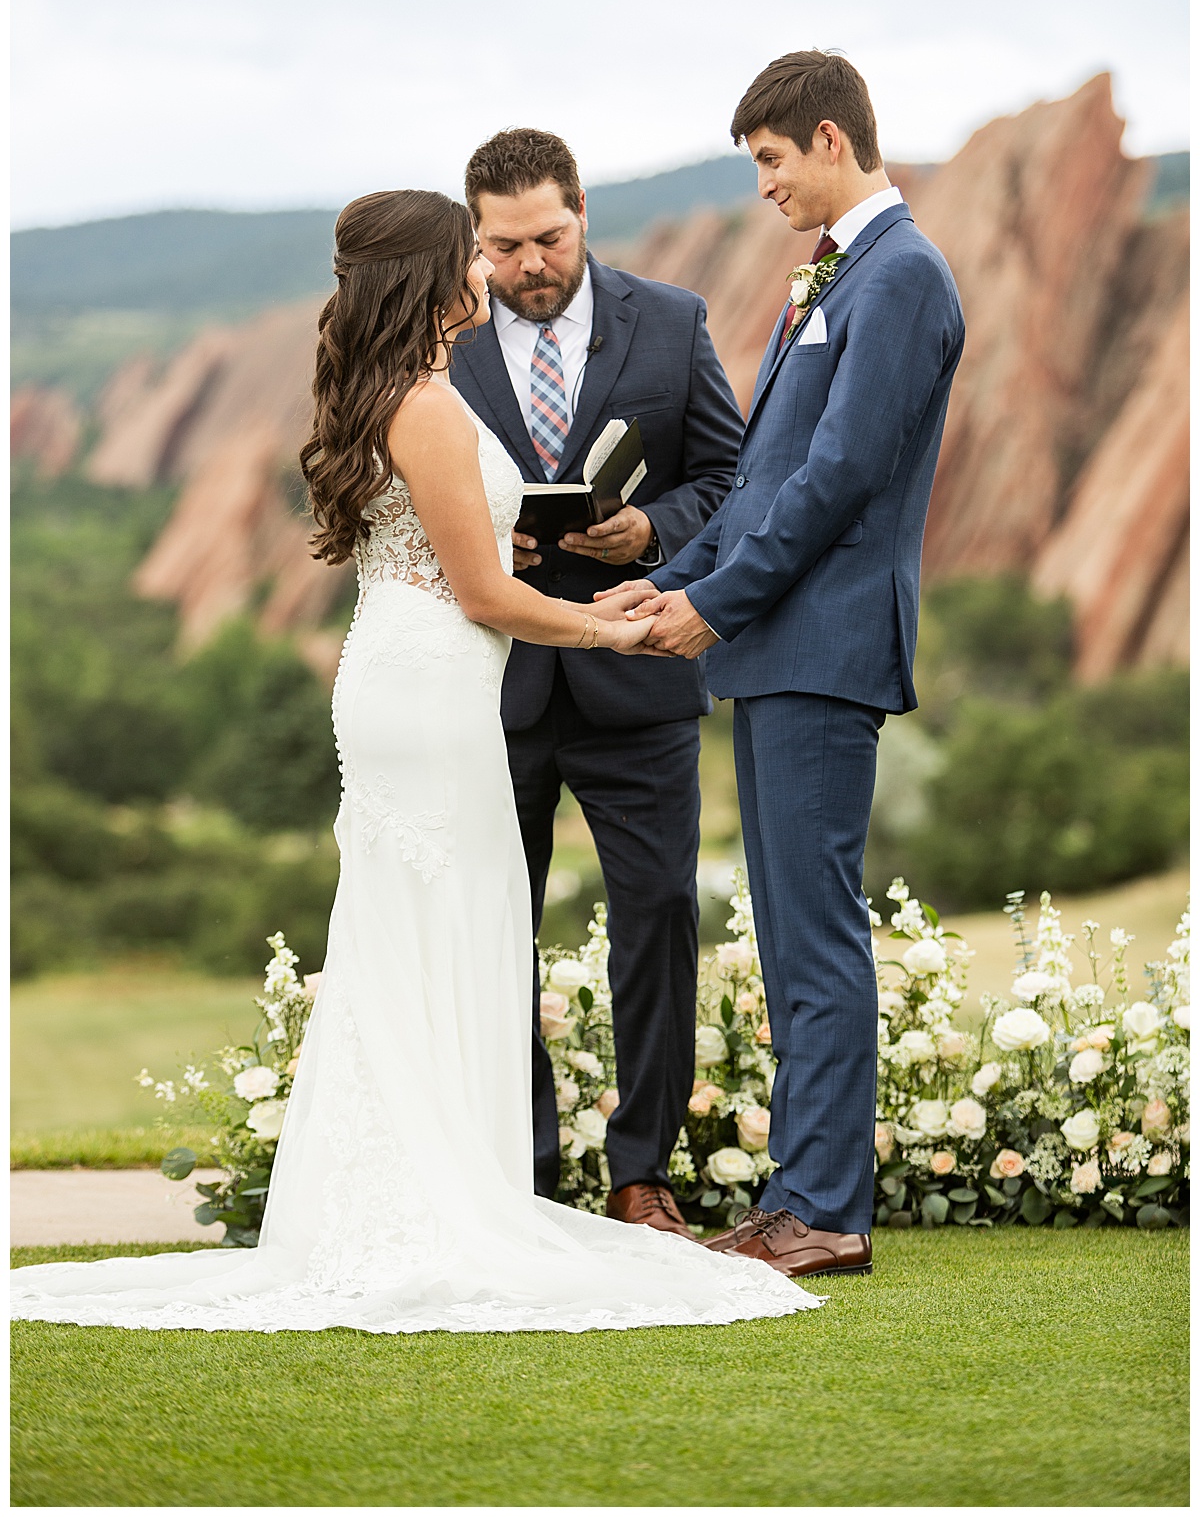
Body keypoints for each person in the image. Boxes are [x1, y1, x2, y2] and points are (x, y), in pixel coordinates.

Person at [11, 188, 818, 1334]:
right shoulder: (429, 406)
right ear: (439, 275)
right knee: (447, 922)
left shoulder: (396, 393)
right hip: (435, 683)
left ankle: (413, 1189)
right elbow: (485, 591)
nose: (492, 269)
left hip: (410, 670)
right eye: (473, 253)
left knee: (416, 927)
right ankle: (440, 1201)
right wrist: (622, 625)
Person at [602, 51, 966, 1279]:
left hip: (823, 648)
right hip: (777, 645)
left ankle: (824, 1211)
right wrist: (677, 573)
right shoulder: (843, 274)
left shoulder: (903, 273)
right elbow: (764, 481)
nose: (762, 186)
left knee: (816, 931)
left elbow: (841, 480)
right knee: (793, 925)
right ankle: (795, 1196)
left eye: (769, 161)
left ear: (826, 137)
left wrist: (713, 606)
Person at [450, 129, 743, 1230]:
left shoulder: (671, 320)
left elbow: (730, 475)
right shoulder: (449, 335)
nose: (528, 263)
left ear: (583, 212)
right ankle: (518, 1170)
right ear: (474, 237)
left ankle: (641, 1172)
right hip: (494, 686)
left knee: (659, 912)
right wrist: (486, 546)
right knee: (490, 923)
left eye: (549, 236)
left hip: (639, 677)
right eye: (504, 244)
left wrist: (649, 528)